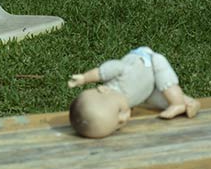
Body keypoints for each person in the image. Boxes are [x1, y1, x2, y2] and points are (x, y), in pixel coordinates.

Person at [67, 46, 200, 138]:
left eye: (119, 111)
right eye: (118, 125)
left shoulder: (120, 76)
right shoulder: (119, 101)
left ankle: (178, 104)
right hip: (146, 92)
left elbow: (104, 71)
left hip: (151, 62)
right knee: (160, 99)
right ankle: (189, 103)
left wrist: (85, 78)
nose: (124, 118)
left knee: (166, 84)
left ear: (104, 90)